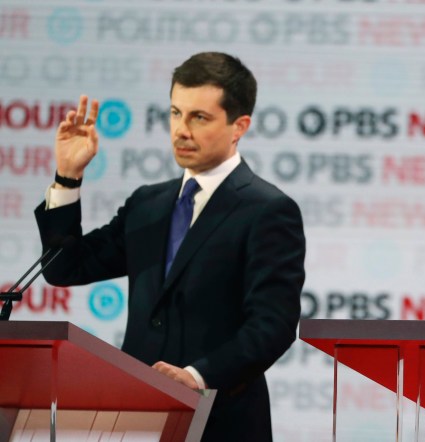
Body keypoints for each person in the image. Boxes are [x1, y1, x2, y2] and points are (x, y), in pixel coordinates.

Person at [34, 52, 305, 441]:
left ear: (239, 126)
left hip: (221, 422)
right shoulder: (149, 204)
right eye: (176, 113)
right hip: (137, 421)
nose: (181, 129)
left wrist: (197, 375)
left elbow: (272, 326)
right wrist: (68, 176)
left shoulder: (267, 210)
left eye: (199, 117)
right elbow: (65, 268)